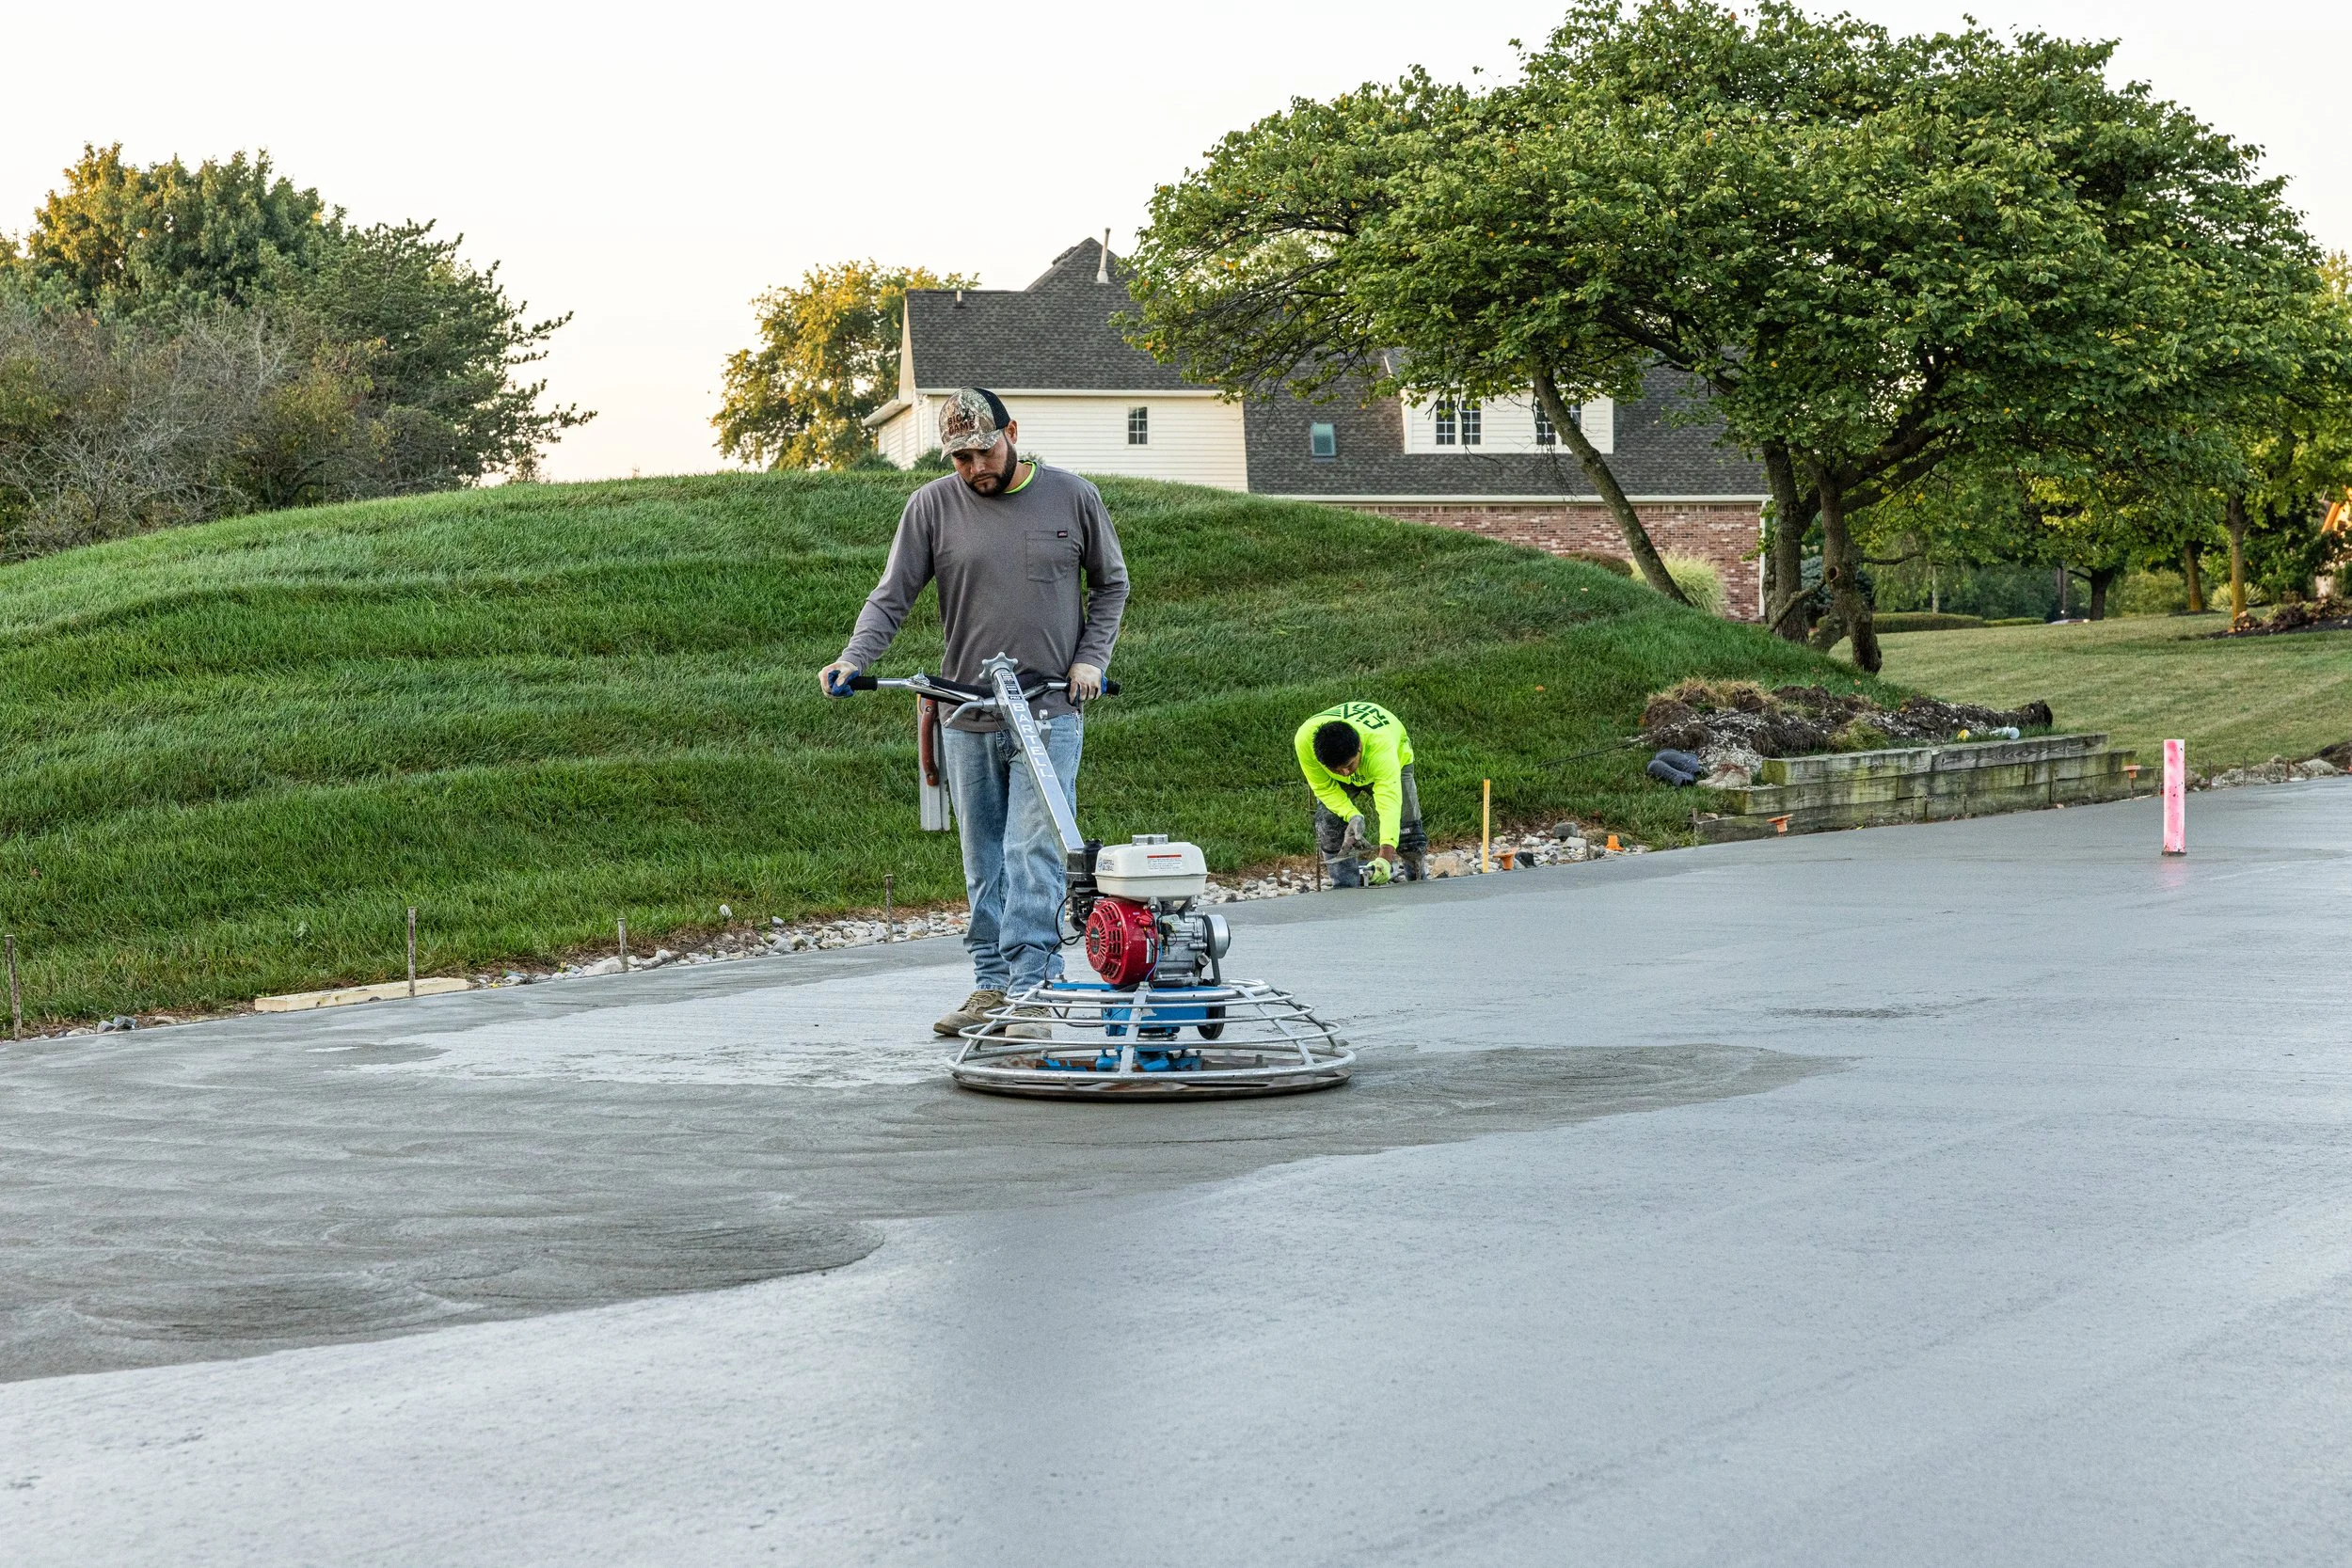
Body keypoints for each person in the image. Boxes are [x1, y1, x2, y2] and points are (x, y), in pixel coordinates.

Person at [819, 389, 1130, 1037]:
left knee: (1029, 848)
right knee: (982, 857)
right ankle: (992, 983)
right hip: (967, 707)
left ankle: (1034, 985)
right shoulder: (931, 506)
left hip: (1050, 706)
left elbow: (1112, 584)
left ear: (1012, 432)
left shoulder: (1073, 497)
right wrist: (853, 657)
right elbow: (891, 596)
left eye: (983, 451)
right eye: (959, 457)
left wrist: (1090, 659)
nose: (973, 468)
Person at [1295, 701, 1428, 887]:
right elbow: (1324, 787)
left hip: (1393, 758)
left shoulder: (1381, 748)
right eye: (1336, 770)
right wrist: (1352, 815)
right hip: (1356, 760)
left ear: (1359, 747)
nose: (1346, 774)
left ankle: (1418, 883)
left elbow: (1389, 804)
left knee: (1408, 833)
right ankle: (1345, 887)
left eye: (1349, 766)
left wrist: (1384, 859)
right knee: (1329, 824)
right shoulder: (1304, 741)